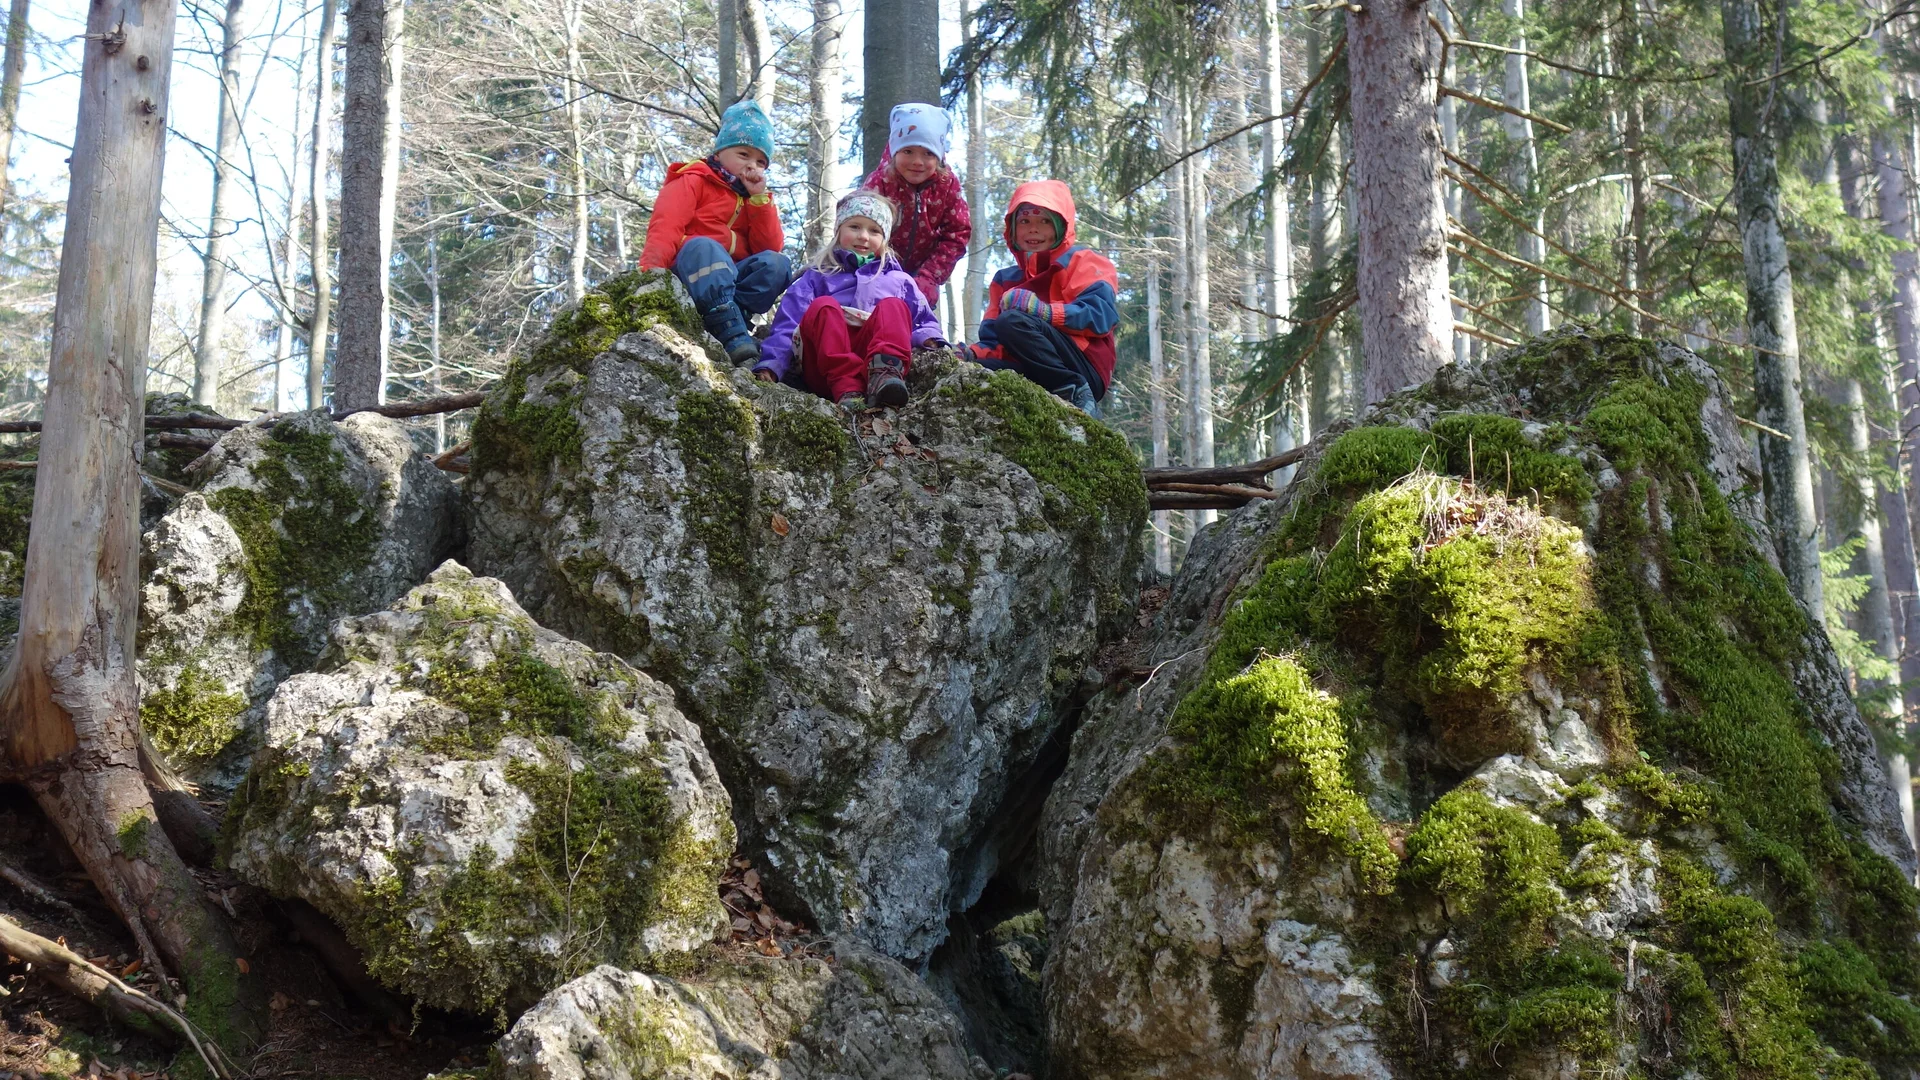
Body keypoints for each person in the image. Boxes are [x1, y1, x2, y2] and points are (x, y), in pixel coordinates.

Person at [754, 190, 946, 410]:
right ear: (838, 231)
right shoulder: (818, 276)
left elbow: (923, 319)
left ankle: (885, 374)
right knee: (823, 306)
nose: (863, 236)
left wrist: (930, 337)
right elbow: (788, 322)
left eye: (874, 230)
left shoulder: (899, 280)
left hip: (872, 361)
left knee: (894, 306)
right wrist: (773, 363)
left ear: (884, 239)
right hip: (825, 368)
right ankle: (846, 387)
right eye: (854, 227)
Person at [639, 101, 791, 365]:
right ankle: (727, 325)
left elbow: (768, 246)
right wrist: (651, 273)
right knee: (704, 246)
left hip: (730, 280)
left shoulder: (752, 198)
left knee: (777, 264)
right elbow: (666, 226)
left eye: (760, 161)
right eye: (743, 155)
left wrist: (759, 200)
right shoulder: (694, 179)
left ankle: (735, 317)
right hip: (692, 271)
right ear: (721, 152)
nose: (751, 166)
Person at [968, 180, 1118, 416]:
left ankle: (1076, 392)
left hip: (1084, 367)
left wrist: (1044, 312)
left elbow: (1100, 317)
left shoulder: (1085, 261)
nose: (1033, 229)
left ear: (1061, 226)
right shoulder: (1004, 280)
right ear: (1012, 229)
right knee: (974, 370)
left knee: (1013, 321)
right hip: (1032, 366)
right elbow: (994, 342)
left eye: (1045, 221)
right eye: (1024, 221)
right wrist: (970, 354)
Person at [859, 103, 971, 308]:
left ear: (938, 156)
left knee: (917, 324)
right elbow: (861, 225)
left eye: (927, 153)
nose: (917, 161)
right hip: (877, 272)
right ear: (894, 150)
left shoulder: (947, 186)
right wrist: (873, 269)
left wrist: (930, 276)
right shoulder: (881, 182)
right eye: (908, 151)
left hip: (923, 276)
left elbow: (957, 234)